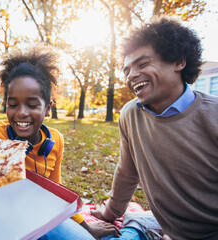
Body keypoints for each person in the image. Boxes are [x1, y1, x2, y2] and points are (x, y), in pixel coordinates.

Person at [91, 16, 218, 240]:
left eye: (142, 64)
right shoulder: (130, 114)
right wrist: (111, 211)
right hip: (170, 229)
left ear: (179, 62)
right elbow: (127, 172)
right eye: (127, 70)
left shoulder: (213, 115)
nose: (131, 75)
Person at [0, 44, 120, 239]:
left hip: (41, 217)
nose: (21, 112)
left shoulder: (56, 141)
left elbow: (57, 192)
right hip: (1, 222)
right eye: (13, 104)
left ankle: (136, 227)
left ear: (47, 108)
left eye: (32, 104)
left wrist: (86, 227)